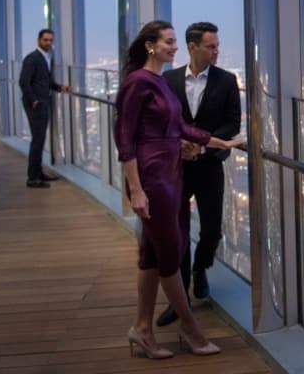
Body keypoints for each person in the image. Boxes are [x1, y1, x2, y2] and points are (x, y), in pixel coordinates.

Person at [115, 20, 236, 359]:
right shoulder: (139, 82)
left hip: (170, 173)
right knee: (170, 254)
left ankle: (142, 329)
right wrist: (136, 190)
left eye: (174, 42)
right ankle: (191, 330)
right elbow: (125, 141)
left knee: (152, 255)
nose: (174, 47)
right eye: (168, 42)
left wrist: (217, 141)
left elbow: (179, 126)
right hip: (154, 178)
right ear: (150, 45)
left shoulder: (157, 82)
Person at [157, 22, 241, 326]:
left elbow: (232, 123)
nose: (217, 51)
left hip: (208, 166)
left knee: (211, 230)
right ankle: (180, 301)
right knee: (177, 233)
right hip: (176, 168)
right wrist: (180, 143)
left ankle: (200, 268)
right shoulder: (169, 79)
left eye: (217, 46)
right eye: (211, 46)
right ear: (193, 48)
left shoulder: (227, 80)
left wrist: (201, 145)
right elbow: (162, 122)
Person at [18, 28, 70, 188]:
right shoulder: (32, 58)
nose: (48, 43)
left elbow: (45, 81)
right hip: (36, 104)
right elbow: (24, 82)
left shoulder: (46, 57)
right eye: (45, 40)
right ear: (38, 40)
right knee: (37, 140)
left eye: (50, 40)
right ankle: (33, 178)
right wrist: (33, 100)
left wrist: (60, 87)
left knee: (39, 141)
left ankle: (38, 173)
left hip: (41, 102)